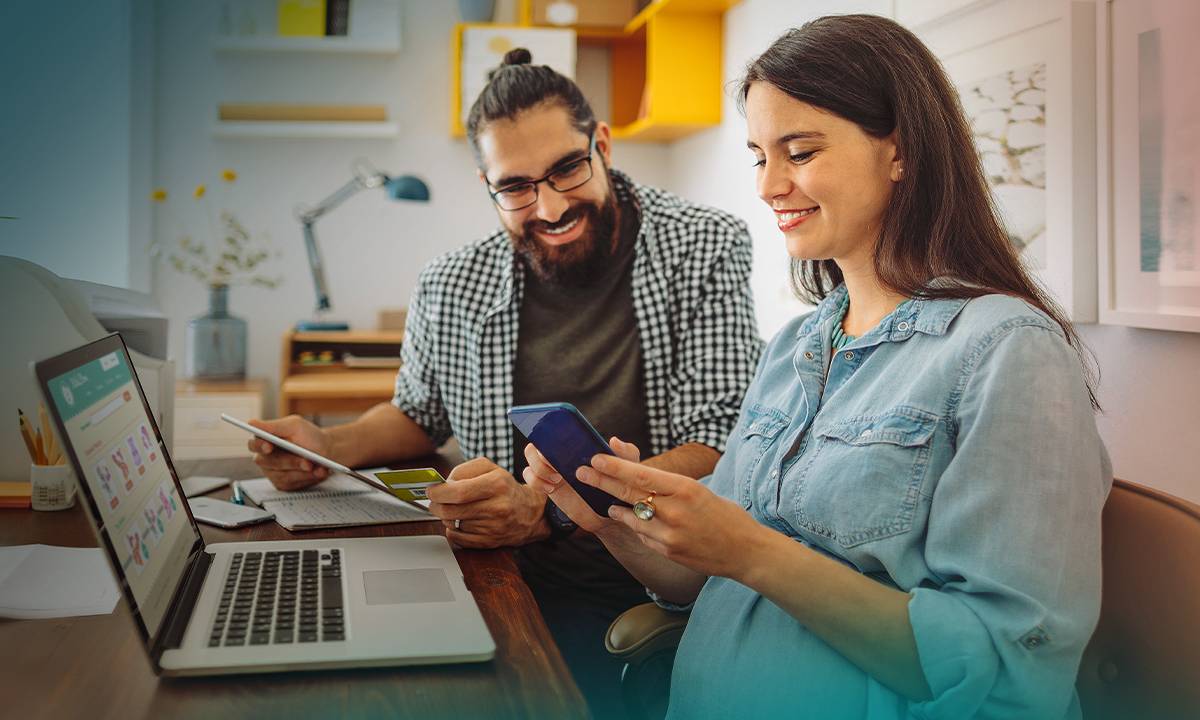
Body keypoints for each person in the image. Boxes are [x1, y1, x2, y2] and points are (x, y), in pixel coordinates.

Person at [524, 14, 1111, 719]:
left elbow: (1007, 667)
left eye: (798, 152)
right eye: (759, 156)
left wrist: (752, 552)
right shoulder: (796, 347)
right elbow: (693, 580)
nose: (770, 185)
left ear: (900, 152)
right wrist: (610, 519)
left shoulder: (1006, 350)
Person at [247, 49, 763, 718]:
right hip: (485, 569)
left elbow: (718, 443)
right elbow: (417, 414)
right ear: (487, 186)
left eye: (566, 170)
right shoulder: (451, 281)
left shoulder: (705, 244)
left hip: (636, 578)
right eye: (515, 187)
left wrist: (545, 511)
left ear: (600, 144)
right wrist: (326, 445)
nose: (547, 207)